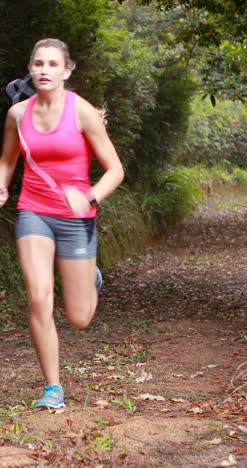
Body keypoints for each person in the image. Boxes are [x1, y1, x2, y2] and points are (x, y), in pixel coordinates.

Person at [0, 38, 124, 409]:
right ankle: (53, 389)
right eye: (38, 64)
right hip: (33, 211)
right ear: (31, 68)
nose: (44, 70)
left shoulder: (82, 112)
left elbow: (115, 170)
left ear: (66, 71)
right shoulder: (18, 114)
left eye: (53, 64)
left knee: (80, 317)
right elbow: (8, 160)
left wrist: (88, 197)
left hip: (76, 217)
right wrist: (2, 186)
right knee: (38, 296)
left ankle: (91, 278)